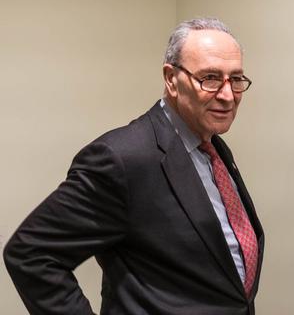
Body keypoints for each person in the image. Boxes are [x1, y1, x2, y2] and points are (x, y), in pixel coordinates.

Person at [3, 18, 264, 314]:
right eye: (211, 79)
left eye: (236, 79)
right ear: (171, 79)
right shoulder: (122, 159)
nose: (228, 95)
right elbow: (31, 254)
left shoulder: (214, 148)